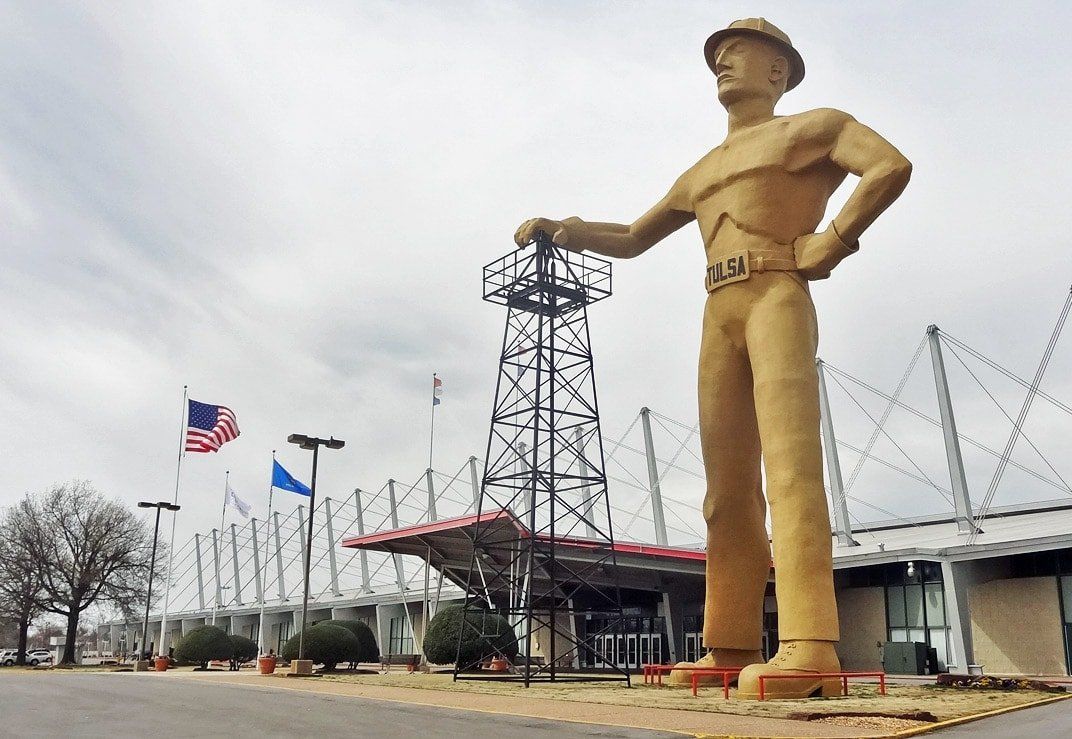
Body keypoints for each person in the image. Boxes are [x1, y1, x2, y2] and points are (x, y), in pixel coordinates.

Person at [514, 18, 911, 699]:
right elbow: (638, 234)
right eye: (717, 59)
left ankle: (810, 644)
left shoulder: (809, 128)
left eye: (737, 56)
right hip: (717, 307)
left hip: (777, 294)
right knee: (726, 491)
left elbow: (888, 165)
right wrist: (570, 230)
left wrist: (836, 238)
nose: (723, 65)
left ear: (778, 70)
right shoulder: (702, 169)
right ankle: (728, 643)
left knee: (791, 472)